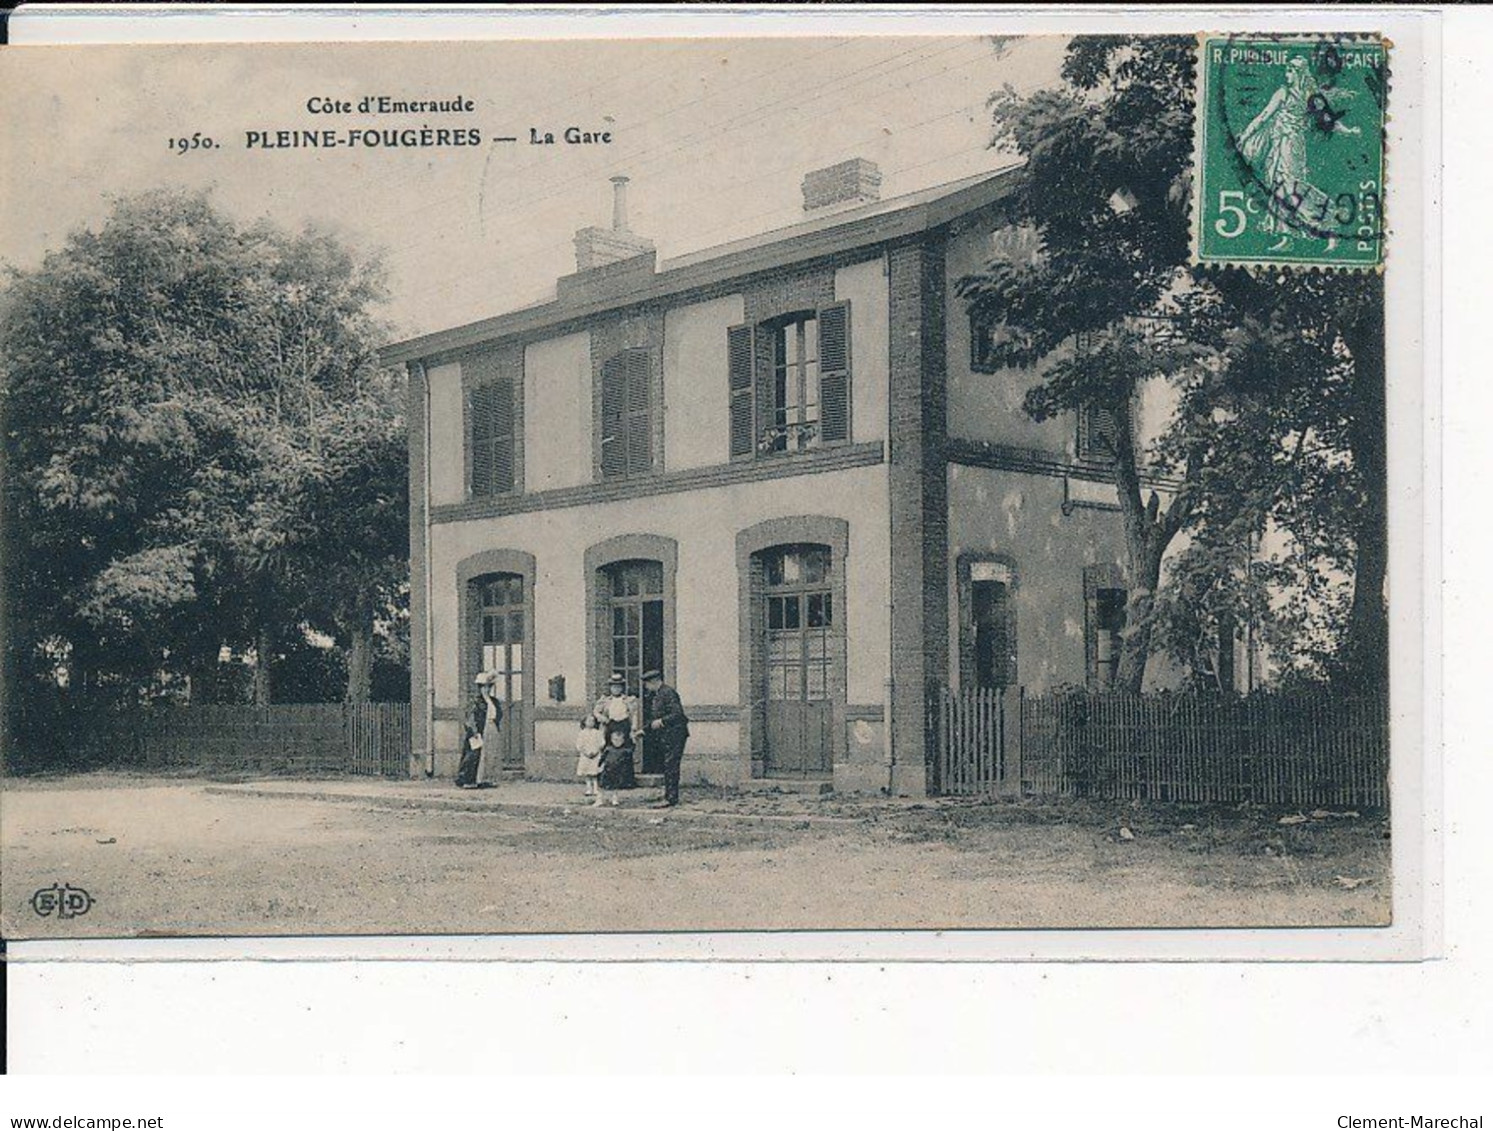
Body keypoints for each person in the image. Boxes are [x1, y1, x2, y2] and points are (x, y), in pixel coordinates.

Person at [642, 669, 689, 808]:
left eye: (647, 684)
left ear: (654, 681)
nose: (646, 687)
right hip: (668, 736)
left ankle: (671, 798)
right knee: (668, 765)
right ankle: (669, 795)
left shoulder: (668, 692)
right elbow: (654, 719)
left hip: (675, 735)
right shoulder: (658, 694)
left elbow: (678, 714)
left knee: (671, 766)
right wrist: (643, 730)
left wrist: (662, 721)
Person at [593, 672, 639, 791]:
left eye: (618, 687)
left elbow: (634, 714)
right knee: (610, 753)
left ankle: (626, 781)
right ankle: (608, 780)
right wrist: (602, 718)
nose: (616, 689)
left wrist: (633, 727)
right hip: (610, 725)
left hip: (624, 725)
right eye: (613, 687)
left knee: (625, 752)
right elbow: (596, 712)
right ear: (610, 688)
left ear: (622, 688)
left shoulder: (628, 700)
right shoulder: (605, 700)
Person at [457, 672, 503, 788]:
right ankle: (470, 780)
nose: (486, 689)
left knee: (491, 754)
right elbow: (470, 717)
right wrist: (474, 731)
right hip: (479, 730)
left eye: (488, 686)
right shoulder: (476, 702)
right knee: (474, 754)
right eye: (484, 687)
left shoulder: (493, 701)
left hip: (491, 727)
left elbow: (498, 714)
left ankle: (486, 779)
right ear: (480, 688)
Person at [575, 713, 605, 805]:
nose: (591, 723)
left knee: (595, 772)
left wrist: (596, 751)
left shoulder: (597, 732)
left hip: (595, 754)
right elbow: (579, 745)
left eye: (592, 721)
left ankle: (596, 788)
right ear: (584, 722)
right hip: (586, 755)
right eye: (589, 721)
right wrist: (585, 752)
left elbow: (602, 743)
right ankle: (588, 788)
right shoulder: (582, 733)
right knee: (587, 773)